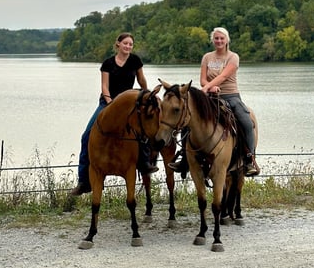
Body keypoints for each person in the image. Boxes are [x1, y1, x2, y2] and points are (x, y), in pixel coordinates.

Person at [69, 32, 159, 195]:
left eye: (131, 44)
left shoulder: (135, 61)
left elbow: (141, 80)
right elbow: (104, 86)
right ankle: (84, 181)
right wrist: (111, 103)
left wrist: (147, 95)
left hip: (131, 104)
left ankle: (145, 163)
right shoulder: (108, 64)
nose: (128, 46)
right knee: (86, 135)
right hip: (108, 103)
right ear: (118, 44)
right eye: (125, 43)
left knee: (143, 129)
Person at [169, 27, 259, 177]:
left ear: (227, 40)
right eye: (216, 38)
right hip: (209, 96)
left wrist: (208, 87)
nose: (219, 41)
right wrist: (208, 87)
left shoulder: (233, 57)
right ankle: (185, 159)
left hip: (230, 96)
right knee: (188, 120)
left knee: (246, 122)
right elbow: (203, 79)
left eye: (221, 38)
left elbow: (223, 76)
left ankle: (249, 160)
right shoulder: (207, 57)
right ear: (213, 40)